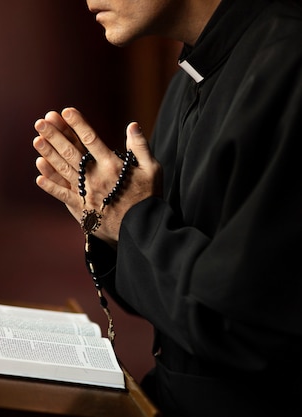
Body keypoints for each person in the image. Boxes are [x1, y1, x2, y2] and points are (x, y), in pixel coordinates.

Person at [32, 1, 302, 416]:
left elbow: (245, 324)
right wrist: (110, 225)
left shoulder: (289, 62)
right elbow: (165, 288)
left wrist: (132, 222)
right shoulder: (195, 70)